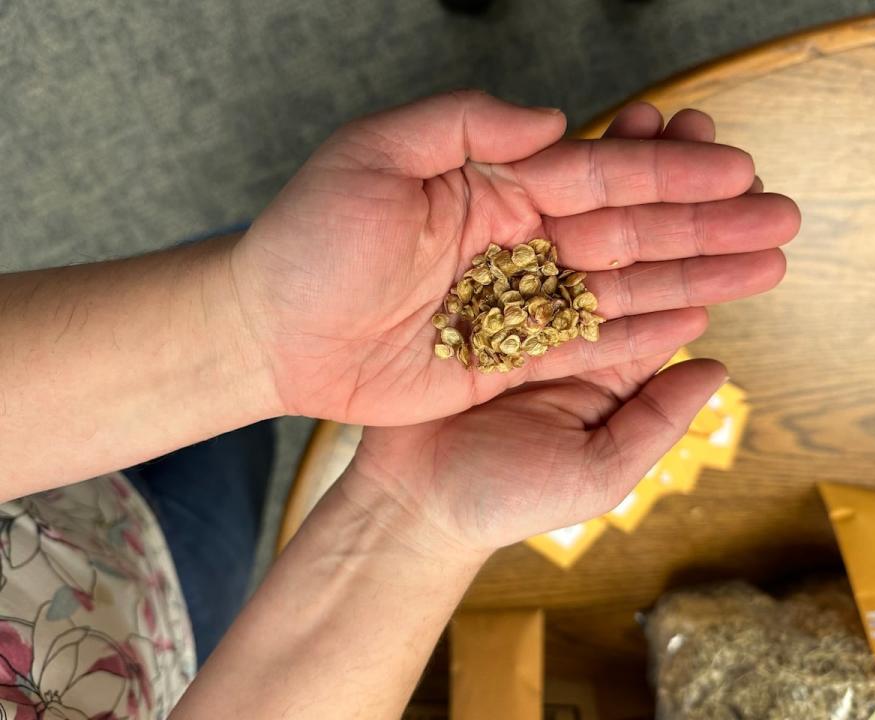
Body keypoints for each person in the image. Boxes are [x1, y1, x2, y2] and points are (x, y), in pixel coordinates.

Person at [0, 90, 799, 718]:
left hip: (67, 497)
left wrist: (246, 327)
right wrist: (410, 520)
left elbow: (251, 324)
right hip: (166, 645)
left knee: (239, 401)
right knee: (228, 493)